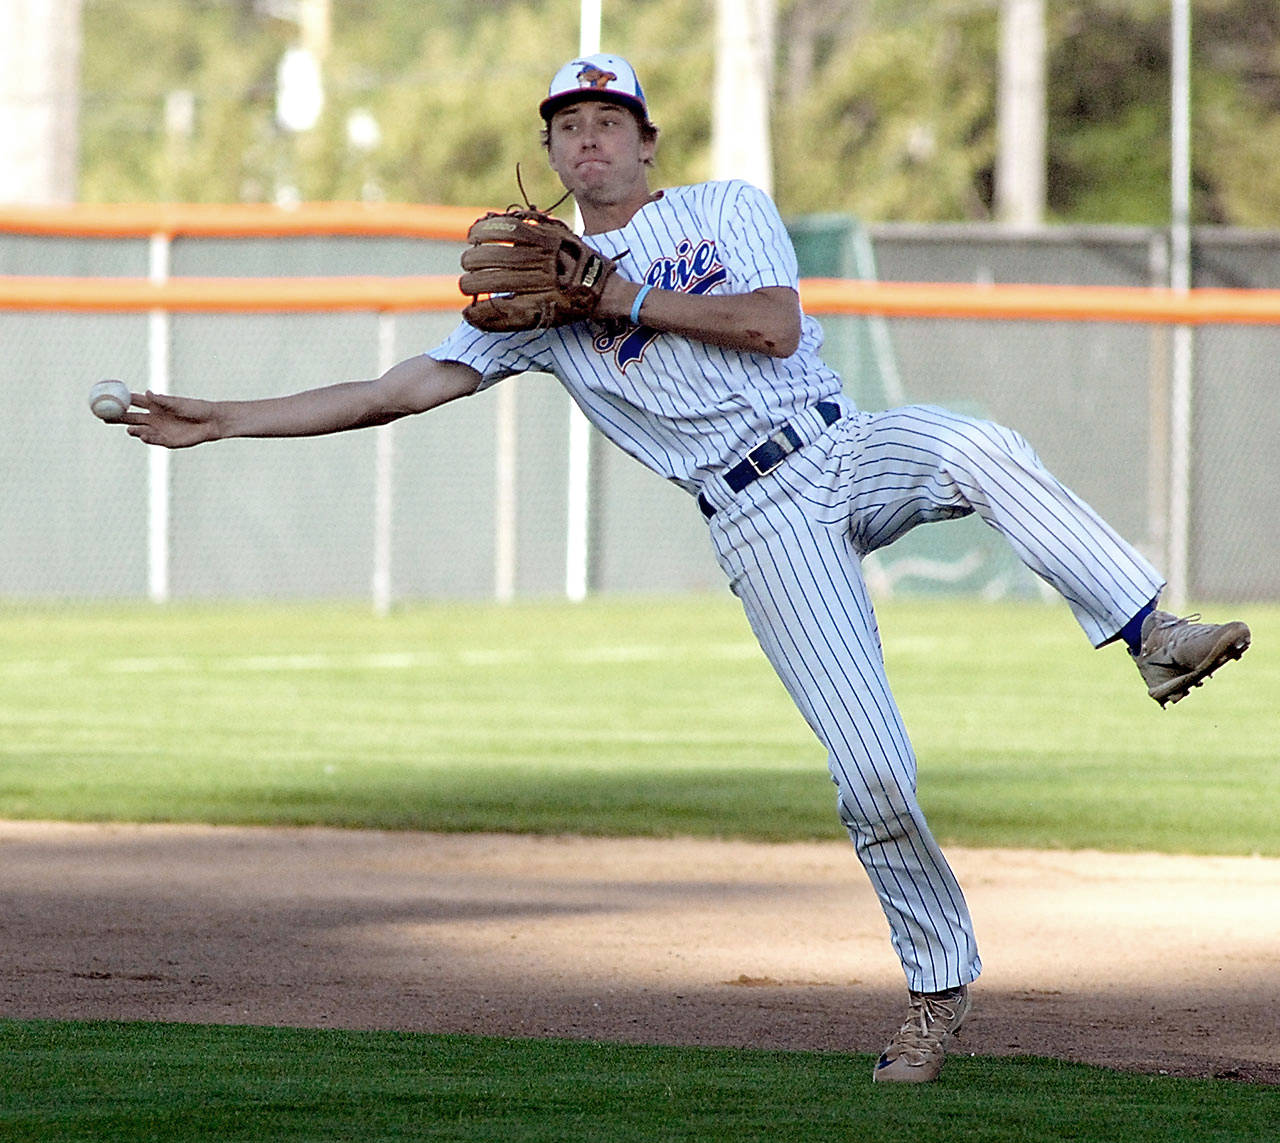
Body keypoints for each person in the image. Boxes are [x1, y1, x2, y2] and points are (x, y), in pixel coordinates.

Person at [122, 52, 1252, 1083]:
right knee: (871, 776)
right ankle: (935, 991)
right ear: (552, 151)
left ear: (647, 140)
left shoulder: (723, 209)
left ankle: (1147, 633)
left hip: (838, 447)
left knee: (976, 445)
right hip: (756, 524)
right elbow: (387, 393)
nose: (588, 140)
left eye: (609, 119)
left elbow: (767, 324)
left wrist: (617, 295)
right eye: (567, 124)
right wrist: (221, 418)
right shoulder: (531, 300)